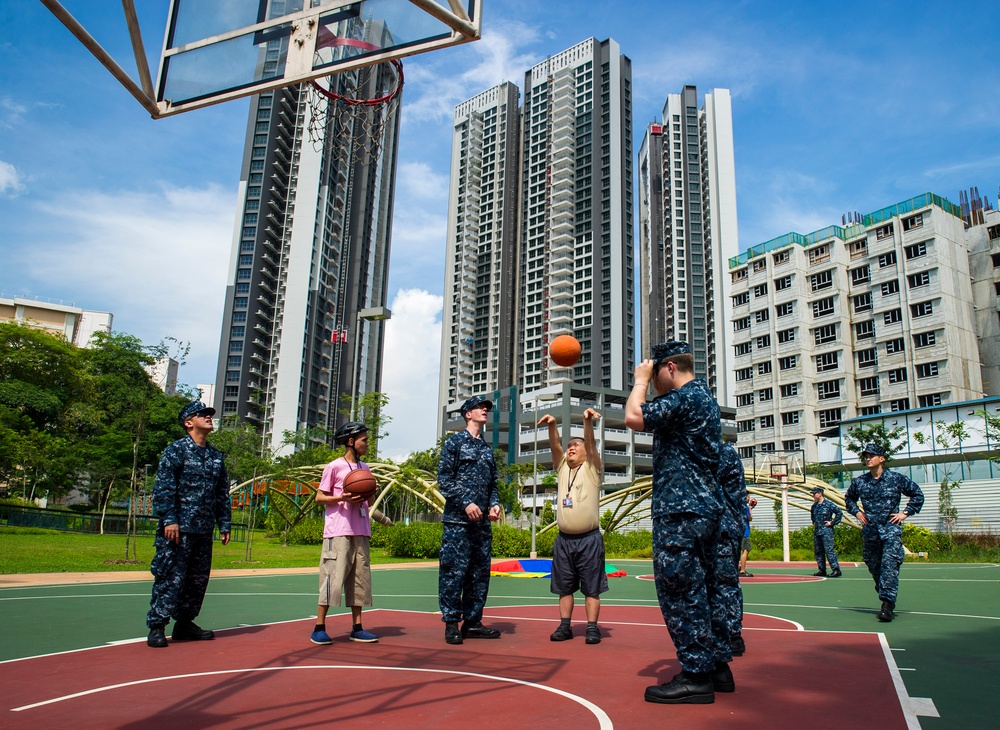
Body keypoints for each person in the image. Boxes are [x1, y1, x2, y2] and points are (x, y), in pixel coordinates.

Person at [625, 341, 732, 704]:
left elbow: (634, 417)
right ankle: (717, 666)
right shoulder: (705, 399)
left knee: (680, 592)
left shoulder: (685, 397)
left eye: (655, 375)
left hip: (681, 511)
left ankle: (696, 676)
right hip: (705, 509)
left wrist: (638, 381)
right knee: (706, 590)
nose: (653, 382)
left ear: (670, 368)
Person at [146, 400, 231, 648]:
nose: (208, 417)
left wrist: (224, 523)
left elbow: (221, 494)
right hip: (178, 529)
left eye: (209, 415)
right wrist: (169, 519)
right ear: (188, 422)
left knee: (197, 580)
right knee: (170, 577)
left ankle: (184, 624)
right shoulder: (175, 451)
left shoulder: (215, 457)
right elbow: (163, 488)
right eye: (202, 414)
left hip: (203, 530)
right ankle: (157, 625)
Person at [538, 407, 607, 644]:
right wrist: (552, 425)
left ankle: (591, 628)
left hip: (589, 539)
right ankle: (565, 626)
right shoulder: (562, 469)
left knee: (592, 588)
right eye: (569, 447)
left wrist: (587, 422)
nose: (571, 448)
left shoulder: (592, 468)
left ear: (586, 452)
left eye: (575, 446)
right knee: (564, 588)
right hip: (564, 540)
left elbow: (591, 443)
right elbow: (555, 446)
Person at [437, 395, 503, 645]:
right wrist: (466, 502)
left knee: (479, 574)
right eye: (480, 407)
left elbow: (493, 484)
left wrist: (494, 503)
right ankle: (452, 622)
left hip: (481, 525)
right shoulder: (454, 443)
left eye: (486, 408)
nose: (485, 410)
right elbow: (444, 480)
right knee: (454, 572)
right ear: (468, 414)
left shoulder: (487, 449)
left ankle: (473, 622)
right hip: (457, 523)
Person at [310, 421, 380, 645]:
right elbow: (319, 498)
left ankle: (357, 627)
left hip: (361, 530)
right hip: (338, 530)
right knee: (332, 578)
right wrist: (341, 497)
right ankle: (319, 627)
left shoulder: (366, 470)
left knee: (359, 580)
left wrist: (370, 490)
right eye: (364, 440)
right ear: (351, 442)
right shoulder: (334, 467)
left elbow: (368, 502)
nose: (368, 443)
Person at [844, 442, 924, 622]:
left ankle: (887, 604)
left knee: (889, 566)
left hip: (890, 531)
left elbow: (917, 494)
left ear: (881, 459)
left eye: (872, 455)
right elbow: (849, 499)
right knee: (874, 566)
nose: (868, 458)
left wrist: (905, 513)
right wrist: (856, 512)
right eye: (866, 456)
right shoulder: (860, 482)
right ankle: (885, 591)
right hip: (871, 532)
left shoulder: (896, 479)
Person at [716, 439, 747, 658]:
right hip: (715, 528)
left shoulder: (722, 453)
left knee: (725, 582)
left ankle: (733, 635)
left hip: (723, 528)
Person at [810, 486, 843, 578]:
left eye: (814, 493)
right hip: (817, 531)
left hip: (826, 531)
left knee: (829, 550)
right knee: (818, 551)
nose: (813, 495)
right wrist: (815, 523)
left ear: (820, 494)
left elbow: (839, 513)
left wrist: (832, 523)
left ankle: (836, 569)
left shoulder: (829, 504)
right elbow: (813, 515)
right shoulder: (814, 506)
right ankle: (822, 569)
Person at [738, 497, 754, 578]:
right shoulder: (745, 507)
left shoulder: (737, 506)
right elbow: (749, 518)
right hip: (745, 532)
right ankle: (742, 570)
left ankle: (738, 567)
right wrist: (750, 510)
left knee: (738, 550)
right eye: (748, 497)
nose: (749, 498)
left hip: (738, 531)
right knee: (746, 550)